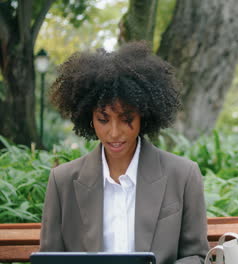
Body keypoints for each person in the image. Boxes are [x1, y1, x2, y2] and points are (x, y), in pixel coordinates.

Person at [39, 42, 209, 264]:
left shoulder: (183, 175)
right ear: (89, 118)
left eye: (126, 118)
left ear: (143, 116)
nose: (114, 132)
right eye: (103, 119)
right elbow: (50, 259)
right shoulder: (62, 182)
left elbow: (196, 256)